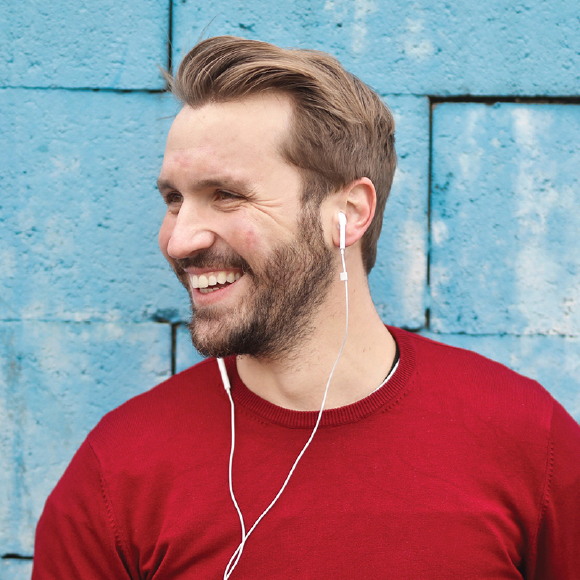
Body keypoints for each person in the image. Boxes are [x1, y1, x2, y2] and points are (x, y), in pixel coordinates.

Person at [33, 36, 580, 579]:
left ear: (348, 211)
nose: (179, 241)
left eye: (227, 194)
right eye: (174, 200)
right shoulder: (118, 471)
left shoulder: (527, 438)